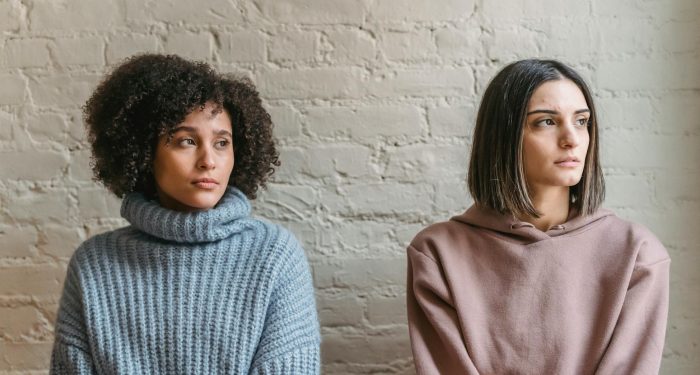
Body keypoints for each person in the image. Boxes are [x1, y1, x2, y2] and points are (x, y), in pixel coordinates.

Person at [50, 54, 320, 374]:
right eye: (186, 141)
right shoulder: (94, 264)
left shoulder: (275, 256)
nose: (209, 160)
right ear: (144, 151)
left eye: (222, 143)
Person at [406, 59, 670, 374]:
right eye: (546, 122)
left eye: (582, 121)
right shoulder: (437, 254)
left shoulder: (637, 254)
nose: (572, 138)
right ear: (503, 135)